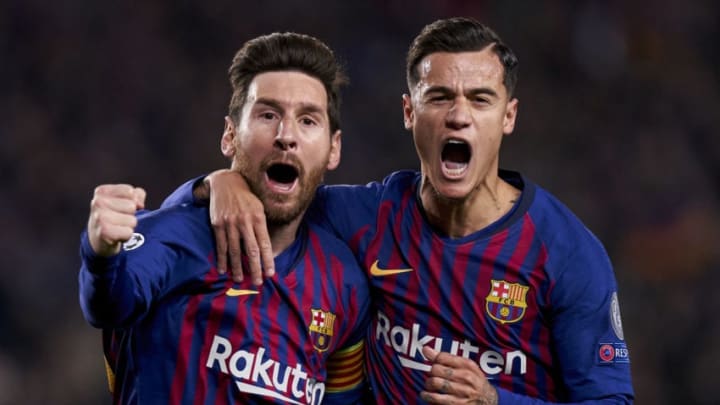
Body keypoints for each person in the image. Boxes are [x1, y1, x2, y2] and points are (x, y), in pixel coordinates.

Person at [164, 17, 634, 403]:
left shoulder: (567, 254)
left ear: (508, 116)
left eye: (480, 99)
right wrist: (213, 184)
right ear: (409, 112)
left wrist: (496, 402)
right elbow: (274, 200)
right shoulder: (361, 217)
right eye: (440, 97)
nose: (459, 115)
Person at [78, 32, 371, 404]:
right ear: (230, 136)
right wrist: (100, 253)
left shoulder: (344, 281)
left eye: (308, 120)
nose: (286, 136)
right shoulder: (174, 236)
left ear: (334, 149)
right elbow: (106, 304)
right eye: (267, 115)